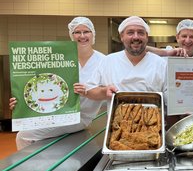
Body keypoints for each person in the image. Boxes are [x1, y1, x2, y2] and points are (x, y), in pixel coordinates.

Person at [9, 17, 106, 150]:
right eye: (77, 32)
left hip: (79, 117)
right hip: (59, 112)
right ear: (71, 35)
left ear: (93, 34)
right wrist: (21, 101)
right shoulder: (63, 59)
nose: (82, 36)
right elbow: (45, 86)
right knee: (27, 131)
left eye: (86, 31)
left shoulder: (104, 61)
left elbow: (107, 92)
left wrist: (87, 92)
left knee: (24, 136)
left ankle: (33, 170)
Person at [85, 16, 167, 108]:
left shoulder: (161, 64)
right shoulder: (108, 61)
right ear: (122, 37)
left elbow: (170, 97)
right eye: (130, 32)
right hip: (118, 120)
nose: (136, 37)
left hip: (153, 120)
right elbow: (89, 90)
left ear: (146, 37)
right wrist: (104, 91)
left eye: (140, 32)